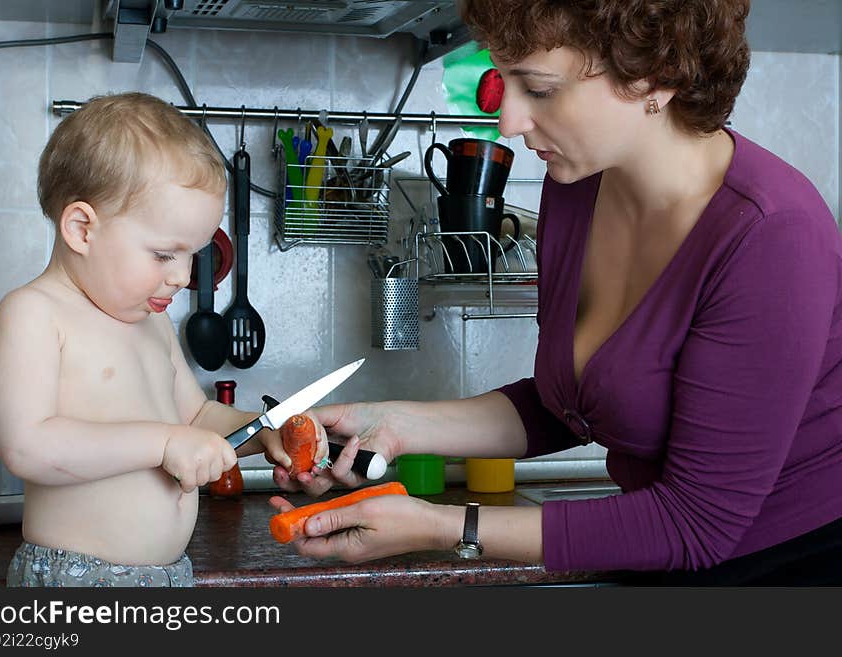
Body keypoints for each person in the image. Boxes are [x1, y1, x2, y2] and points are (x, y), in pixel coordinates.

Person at [267, 0, 842, 585]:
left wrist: (443, 526)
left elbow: (696, 525)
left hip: (789, 569)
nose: (508, 122)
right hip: (656, 560)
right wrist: (391, 423)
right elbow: (571, 403)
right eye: (503, 81)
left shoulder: (770, 235)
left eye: (538, 89)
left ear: (654, 78)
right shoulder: (576, 186)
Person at [0, 92, 327, 587]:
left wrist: (263, 433)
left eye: (195, 255)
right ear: (82, 229)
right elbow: (28, 447)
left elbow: (196, 418)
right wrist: (164, 442)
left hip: (170, 577)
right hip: (79, 582)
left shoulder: (150, 323)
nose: (183, 276)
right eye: (165, 255)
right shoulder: (33, 314)